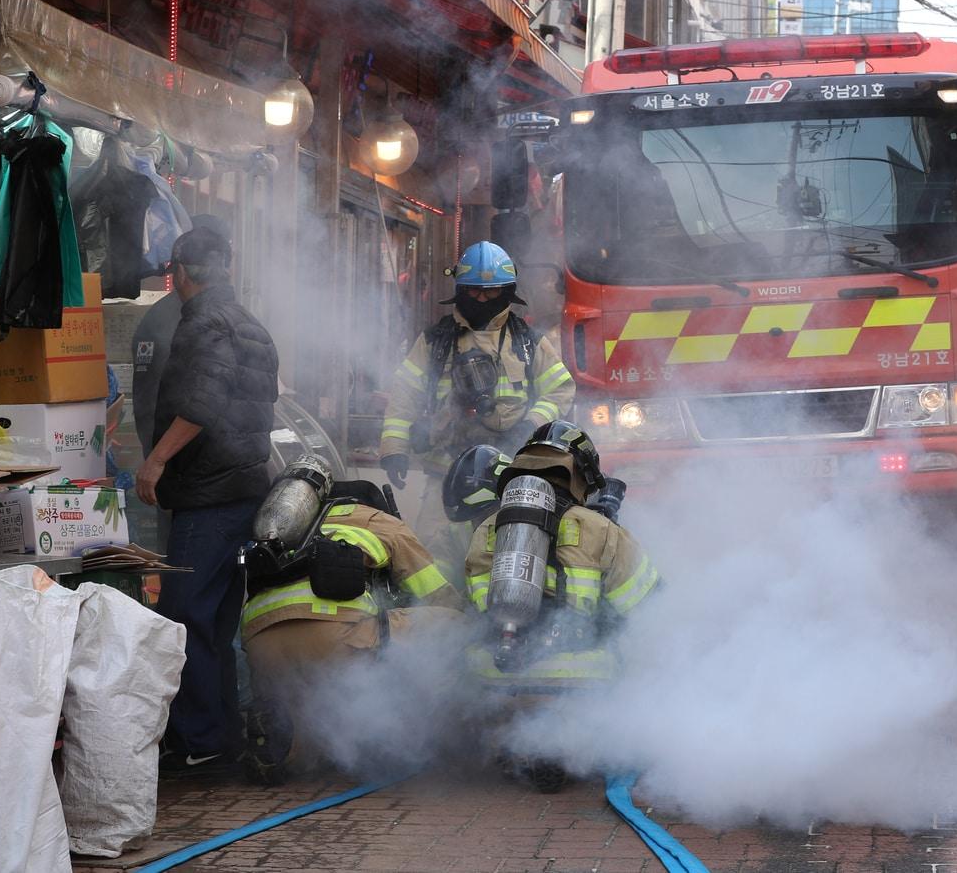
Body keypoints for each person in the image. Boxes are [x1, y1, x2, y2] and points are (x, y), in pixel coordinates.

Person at [136, 226, 279, 770]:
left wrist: (156, 459)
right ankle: (220, 735)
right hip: (245, 490)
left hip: (207, 495)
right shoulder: (251, 324)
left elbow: (202, 402)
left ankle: (200, 739)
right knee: (216, 621)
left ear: (181, 272)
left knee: (182, 616)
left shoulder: (204, 324)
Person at [457, 422, 658, 791]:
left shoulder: (486, 528)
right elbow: (647, 605)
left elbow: (474, 605)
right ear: (580, 474)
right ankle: (575, 743)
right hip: (578, 678)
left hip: (498, 672)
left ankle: (514, 740)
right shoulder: (598, 527)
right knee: (640, 649)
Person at [241, 477, 462, 784]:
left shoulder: (290, 526)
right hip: (333, 642)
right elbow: (435, 591)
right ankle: (420, 736)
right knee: (452, 623)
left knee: (308, 750)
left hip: (261, 647)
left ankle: (283, 746)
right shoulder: (378, 521)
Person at [378, 241, 574, 560]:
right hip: (447, 473)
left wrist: (528, 427)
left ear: (507, 291)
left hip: (509, 473)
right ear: (460, 289)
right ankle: (439, 612)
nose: (482, 299)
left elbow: (561, 389)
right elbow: (404, 395)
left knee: (506, 553)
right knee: (434, 555)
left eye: (491, 292)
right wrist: (394, 448)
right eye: (474, 291)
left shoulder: (526, 343)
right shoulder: (436, 341)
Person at [132, 214, 233, 457]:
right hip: (185, 459)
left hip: (201, 461)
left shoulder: (217, 317)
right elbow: (149, 393)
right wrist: (156, 453)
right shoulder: (169, 318)